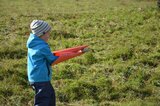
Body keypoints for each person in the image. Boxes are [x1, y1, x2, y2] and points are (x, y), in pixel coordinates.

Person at [27, 20, 88, 106]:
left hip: (38, 78)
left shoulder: (34, 44)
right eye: (48, 33)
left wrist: (75, 51)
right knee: (44, 102)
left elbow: (50, 55)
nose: (49, 35)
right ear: (42, 33)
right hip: (41, 79)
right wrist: (77, 53)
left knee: (50, 98)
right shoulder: (42, 46)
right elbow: (53, 60)